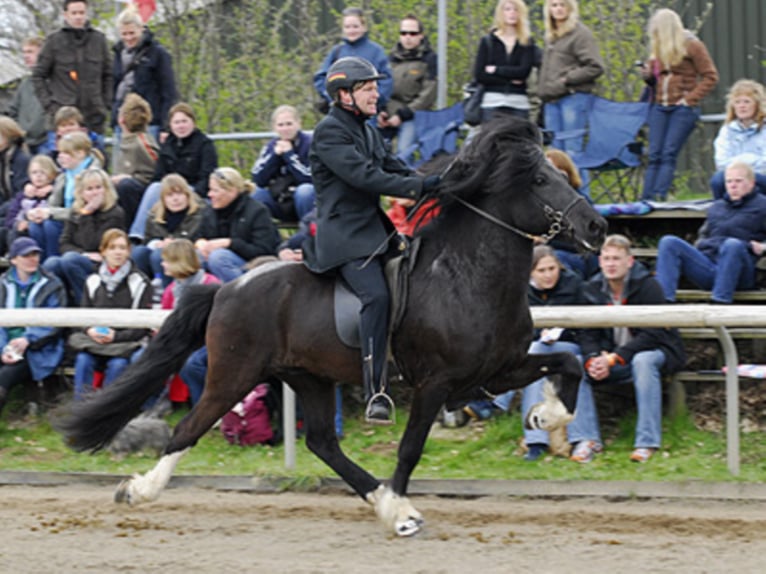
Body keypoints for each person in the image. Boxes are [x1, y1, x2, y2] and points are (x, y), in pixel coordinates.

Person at [304, 56, 438, 423]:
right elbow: (366, 177)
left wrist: (440, 181)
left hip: (374, 233)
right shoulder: (330, 132)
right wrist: (418, 187)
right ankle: (376, 390)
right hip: (344, 238)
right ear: (344, 94)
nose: (376, 93)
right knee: (376, 297)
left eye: (375, 87)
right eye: (368, 88)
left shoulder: (367, 129)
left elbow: (395, 168)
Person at [463, 245, 602, 462]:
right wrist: (539, 333)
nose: (548, 275)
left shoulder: (574, 285)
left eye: (552, 268)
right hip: (537, 348)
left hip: (570, 347)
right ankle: (536, 441)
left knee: (537, 354)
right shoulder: (521, 292)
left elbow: (585, 328)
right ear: (530, 272)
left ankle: (494, 401)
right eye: (542, 270)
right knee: (535, 360)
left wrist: (587, 351)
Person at [580, 234, 685, 463]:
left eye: (616, 258)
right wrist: (592, 359)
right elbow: (587, 333)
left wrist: (617, 358)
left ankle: (646, 443)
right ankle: (587, 440)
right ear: (599, 262)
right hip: (611, 357)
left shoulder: (649, 286)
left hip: (655, 353)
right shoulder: (591, 288)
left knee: (643, 361)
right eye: (606, 258)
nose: (610, 263)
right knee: (574, 364)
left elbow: (654, 333)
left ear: (630, 261)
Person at [655, 162, 766, 304]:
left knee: (732, 245)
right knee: (668, 242)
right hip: (709, 266)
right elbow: (702, 236)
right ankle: (662, 303)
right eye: (729, 181)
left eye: (739, 181)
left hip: (740, 271)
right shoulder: (716, 207)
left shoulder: (763, 206)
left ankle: (719, 304)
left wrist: (763, 247)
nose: (733, 185)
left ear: (751, 183)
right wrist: (700, 245)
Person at [639, 8, 718, 201]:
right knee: (655, 154)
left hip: (682, 108)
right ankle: (645, 199)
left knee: (668, 153)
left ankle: (659, 197)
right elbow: (656, 82)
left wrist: (689, 99)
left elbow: (711, 76)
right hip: (660, 105)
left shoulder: (692, 45)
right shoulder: (657, 50)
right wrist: (649, 77)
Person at [67, 229, 151, 400]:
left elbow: (142, 326)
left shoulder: (140, 282)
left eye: (122, 247)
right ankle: (80, 410)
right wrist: (90, 330)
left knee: (118, 365)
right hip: (95, 342)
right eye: (112, 247)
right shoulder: (92, 280)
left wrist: (116, 336)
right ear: (103, 251)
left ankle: (106, 409)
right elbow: (83, 317)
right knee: (83, 360)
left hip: (124, 344)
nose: (118, 252)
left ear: (129, 251)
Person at [128, 102, 218, 241]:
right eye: (176, 122)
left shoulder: (205, 145)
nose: (181, 126)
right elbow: (158, 175)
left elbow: (207, 176)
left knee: (173, 190)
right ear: (170, 125)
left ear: (193, 123)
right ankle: (138, 235)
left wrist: (190, 193)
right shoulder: (167, 145)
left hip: (193, 190)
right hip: (169, 191)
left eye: (184, 121)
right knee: (154, 187)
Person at [0, 237, 66, 420]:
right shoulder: (2, 284)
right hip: (5, 344)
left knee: (6, 375)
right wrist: (2, 347)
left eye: (35, 254)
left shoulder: (52, 284)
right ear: (13, 260)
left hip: (38, 348)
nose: (33, 259)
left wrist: (27, 339)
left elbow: (55, 323)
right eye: (26, 255)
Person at [43, 168, 125, 305]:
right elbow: (64, 243)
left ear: (106, 189)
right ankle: (61, 307)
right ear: (81, 193)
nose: (94, 193)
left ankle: (87, 303)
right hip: (83, 257)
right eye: (89, 189)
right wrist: (83, 254)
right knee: (52, 263)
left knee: (70, 260)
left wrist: (88, 213)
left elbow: (93, 243)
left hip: (103, 261)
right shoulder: (76, 212)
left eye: (98, 187)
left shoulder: (115, 213)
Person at [32, 0, 112, 136]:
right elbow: (38, 75)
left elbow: (108, 74)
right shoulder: (54, 41)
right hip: (63, 118)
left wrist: (105, 102)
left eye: (81, 13)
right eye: (74, 13)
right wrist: (50, 106)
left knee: (97, 155)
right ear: (66, 15)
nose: (78, 17)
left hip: (94, 117)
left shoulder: (99, 40)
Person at [538, 0, 604, 165]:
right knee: (553, 154)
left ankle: (580, 191)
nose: (558, 9)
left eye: (562, 5)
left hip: (572, 98)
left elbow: (595, 67)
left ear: (570, 8)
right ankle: (558, 191)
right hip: (551, 100)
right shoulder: (552, 35)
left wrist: (567, 79)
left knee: (573, 151)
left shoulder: (580, 33)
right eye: (554, 5)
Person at [160, 239, 220, 406]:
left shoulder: (211, 284)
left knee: (191, 363)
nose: (162, 264)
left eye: (166, 260)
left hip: (210, 340)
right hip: (185, 340)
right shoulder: (171, 289)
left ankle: (204, 406)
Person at [27, 131, 103, 261]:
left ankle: (52, 264)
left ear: (80, 153)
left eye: (65, 153)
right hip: (65, 219)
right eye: (60, 152)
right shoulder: (64, 176)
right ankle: (39, 265)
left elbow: (81, 211)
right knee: (35, 225)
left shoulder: (93, 176)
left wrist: (50, 213)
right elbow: (53, 204)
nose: (60, 157)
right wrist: (38, 212)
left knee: (50, 225)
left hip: (85, 224)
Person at [195, 167, 279, 282]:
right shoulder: (210, 211)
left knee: (218, 257)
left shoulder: (257, 211)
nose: (210, 194)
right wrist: (200, 243)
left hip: (252, 265)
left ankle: (241, 296)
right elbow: (198, 235)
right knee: (190, 257)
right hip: (217, 261)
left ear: (232, 190)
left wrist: (230, 243)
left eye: (215, 191)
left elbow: (264, 250)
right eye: (210, 190)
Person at [112, 6, 177, 143]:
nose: (128, 38)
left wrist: (165, 125)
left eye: (132, 33)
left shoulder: (158, 54)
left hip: (149, 122)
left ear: (141, 29)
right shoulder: (117, 54)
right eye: (124, 34)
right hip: (122, 121)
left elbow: (169, 92)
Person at [313, 7, 393, 115]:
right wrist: (332, 97)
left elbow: (386, 80)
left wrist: (374, 101)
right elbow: (321, 77)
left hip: (368, 113)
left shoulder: (376, 51)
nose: (351, 30)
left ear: (364, 27)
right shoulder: (337, 51)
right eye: (347, 27)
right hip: (340, 112)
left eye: (355, 26)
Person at [376, 14, 437, 153]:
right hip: (387, 115)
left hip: (414, 115)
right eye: (403, 33)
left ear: (421, 35)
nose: (407, 37)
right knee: (374, 151)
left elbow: (428, 95)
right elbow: (381, 86)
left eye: (412, 33)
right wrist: (381, 111)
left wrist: (403, 115)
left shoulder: (429, 59)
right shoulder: (390, 58)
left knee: (403, 153)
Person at [471, 0, 537, 123]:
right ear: (500, 13)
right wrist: (510, 79)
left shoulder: (527, 41)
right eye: (507, 9)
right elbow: (480, 75)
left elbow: (523, 72)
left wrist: (496, 70)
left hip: (519, 102)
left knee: (518, 141)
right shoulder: (488, 41)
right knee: (491, 140)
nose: (512, 13)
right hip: (492, 101)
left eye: (516, 9)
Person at [132, 174, 203, 284]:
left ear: (187, 195)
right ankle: (142, 288)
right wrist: (156, 243)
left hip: (187, 253)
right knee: (138, 252)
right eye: (169, 195)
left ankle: (165, 289)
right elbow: (147, 239)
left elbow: (199, 238)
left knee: (159, 255)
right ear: (163, 199)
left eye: (179, 193)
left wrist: (173, 243)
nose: (175, 199)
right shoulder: (154, 214)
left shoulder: (199, 213)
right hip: (159, 251)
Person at [250, 105, 315, 223]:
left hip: (307, 201)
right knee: (256, 193)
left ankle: (308, 235)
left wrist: (289, 155)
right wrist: (275, 156)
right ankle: (265, 237)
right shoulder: (270, 146)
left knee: (305, 191)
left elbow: (309, 178)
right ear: (274, 127)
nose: (285, 129)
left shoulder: (311, 143)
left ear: (299, 123)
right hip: (280, 198)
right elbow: (258, 179)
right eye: (280, 125)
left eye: (289, 124)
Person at [544, 149, 598, 277]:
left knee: (554, 259)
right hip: (546, 252)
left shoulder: (580, 202)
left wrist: (546, 241)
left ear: (565, 173)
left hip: (577, 256)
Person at [710, 79, 766, 200]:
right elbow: (721, 162)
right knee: (717, 181)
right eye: (737, 102)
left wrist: (744, 170)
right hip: (733, 175)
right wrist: (739, 172)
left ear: (757, 105)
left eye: (746, 102)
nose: (742, 106)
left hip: (760, 175)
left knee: (751, 182)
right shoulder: (727, 130)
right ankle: (723, 215)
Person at [110, 93, 160, 226]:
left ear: (121, 119)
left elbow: (153, 174)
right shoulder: (122, 142)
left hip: (140, 196)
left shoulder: (142, 143)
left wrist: (128, 178)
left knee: (126, 186)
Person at [5, 154, 58, 248]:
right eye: (34, 172)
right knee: (12, 231)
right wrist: (18, 223)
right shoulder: (24, 194)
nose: (38, 176)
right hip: (22, 231)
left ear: (52, 175)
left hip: (43, 228)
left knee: (36, 228)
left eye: (43, 172)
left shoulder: (55, 193)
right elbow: (10, 218)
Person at [6, 37, 47, 154]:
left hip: (47, 143)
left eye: (30, 52)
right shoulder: (25, 84)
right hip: (26, 144)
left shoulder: (56, 82)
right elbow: (13, 111)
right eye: (24, 52)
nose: (26, 56)